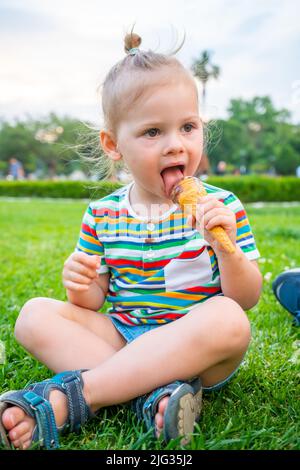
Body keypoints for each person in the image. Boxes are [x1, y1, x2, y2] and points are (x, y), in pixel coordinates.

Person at [0, 31, 263, 450]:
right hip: (125, 335)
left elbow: (246, 298)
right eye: (153, 132)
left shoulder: (221, 206)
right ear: (113, 144)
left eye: (188, 127)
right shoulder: (102, 215)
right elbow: (92, 302)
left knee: (229, 319)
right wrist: (80, 284)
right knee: (32, 316)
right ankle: (154, 396)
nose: (175, 144)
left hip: (196, 351)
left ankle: (79, 395)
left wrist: (224, 247)